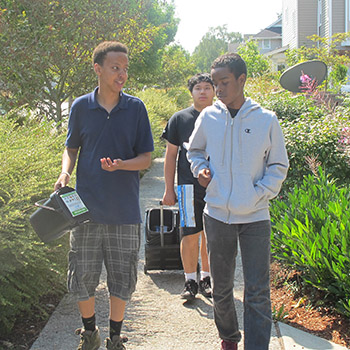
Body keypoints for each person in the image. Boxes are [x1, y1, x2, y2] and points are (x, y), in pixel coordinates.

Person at [54, 41, 154, 350]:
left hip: (124, 211)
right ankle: (90, 333)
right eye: (115, 68)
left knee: (122, 277)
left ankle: (114, 337)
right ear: (98, 69)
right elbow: (71, 147)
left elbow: (146, 158)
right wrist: (65, 172)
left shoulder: (135, 107)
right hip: (86, 211)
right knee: (81, 275)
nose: (122, 74)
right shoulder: (82, 107)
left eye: (125, 69)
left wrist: (124, 165)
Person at [187, 53, 289, 350]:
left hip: (256, 217)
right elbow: (194, 151)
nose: (218, 88)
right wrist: (200, 169)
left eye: (224, 82)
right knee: (221, 288)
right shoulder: (209, 117)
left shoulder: (265, 119)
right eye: (215, 82)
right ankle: (229, 338)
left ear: (241, 80)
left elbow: (278, 165)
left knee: (257, 290)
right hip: (217, 214)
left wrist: (258, 193)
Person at [161, 73, 215, 300]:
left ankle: (207, 277)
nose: (203, 92)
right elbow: (171, 156)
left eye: (207, 88)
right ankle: (190, 280)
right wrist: (169, 189)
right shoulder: (179, 119)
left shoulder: (222, 116)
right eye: (198, 88)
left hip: (217, 189)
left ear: (214, 91)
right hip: (187, 188)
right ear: (191, 92)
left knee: (210, 235)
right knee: (190, 234)